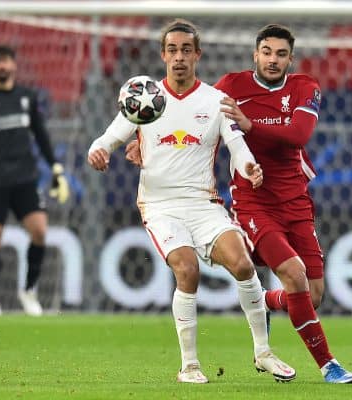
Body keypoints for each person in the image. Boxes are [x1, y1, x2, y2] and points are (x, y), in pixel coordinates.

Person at [126, 23, 352, 384]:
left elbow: (298, 136)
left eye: (281, 54)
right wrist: (146, 140)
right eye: (266, 52)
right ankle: (329, 365)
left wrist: (249, 124)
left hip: (295, 199)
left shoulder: (304, 87)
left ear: (290, 59)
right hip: (253, 201)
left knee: (312, 293)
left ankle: (266, 301)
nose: (273, 59)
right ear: (255, 54)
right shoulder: (231, 87)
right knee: (293, 274)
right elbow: (187, 111)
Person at [87, 19, 295, 384]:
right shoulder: (146, 99)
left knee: (245, 266)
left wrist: (250, 168)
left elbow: (238, 148)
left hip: (204, 203)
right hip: (160, 206)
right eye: (172, 50)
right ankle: (189, 366)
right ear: (163, 55)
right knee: (187, 270)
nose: (179, 57)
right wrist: (98, 152)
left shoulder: (215, 101)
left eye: (186, 50)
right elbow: (106, 139)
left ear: (197, 54)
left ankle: (263, 353)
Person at [0, 45, 70, 317]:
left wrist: (56, 169)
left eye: (6, 61)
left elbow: (41, 135)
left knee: (40, 230)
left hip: (25, 177)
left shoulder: (27, 97)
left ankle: (30, 291)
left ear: (14, 65)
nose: (2, 66)